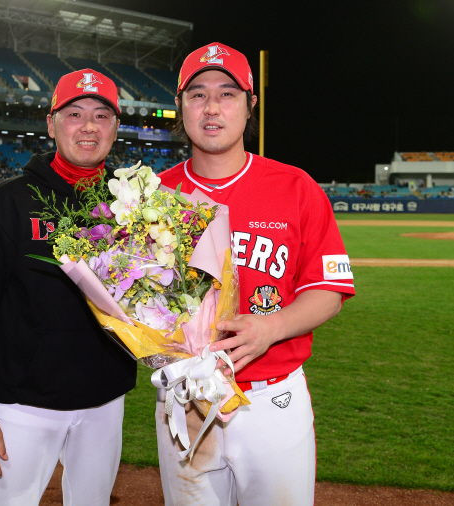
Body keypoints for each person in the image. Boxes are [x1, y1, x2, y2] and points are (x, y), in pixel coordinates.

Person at [155, 43, 356, 506]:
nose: (211, 107)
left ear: (251, 105)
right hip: (185, 400)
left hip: (273, 400)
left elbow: (329, 288)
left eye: (227, 94)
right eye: (197, 94)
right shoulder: (153, 194)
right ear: (180, 104)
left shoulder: (295, 187)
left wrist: (273, 326)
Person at [0, 69, 136, 506]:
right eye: (74, 114)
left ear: (115, 128)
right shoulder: (6, 204)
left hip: (105, 402)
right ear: (51, 124)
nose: (89, 126)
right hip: (21, 407)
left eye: (101, 115)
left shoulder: (131, 206)